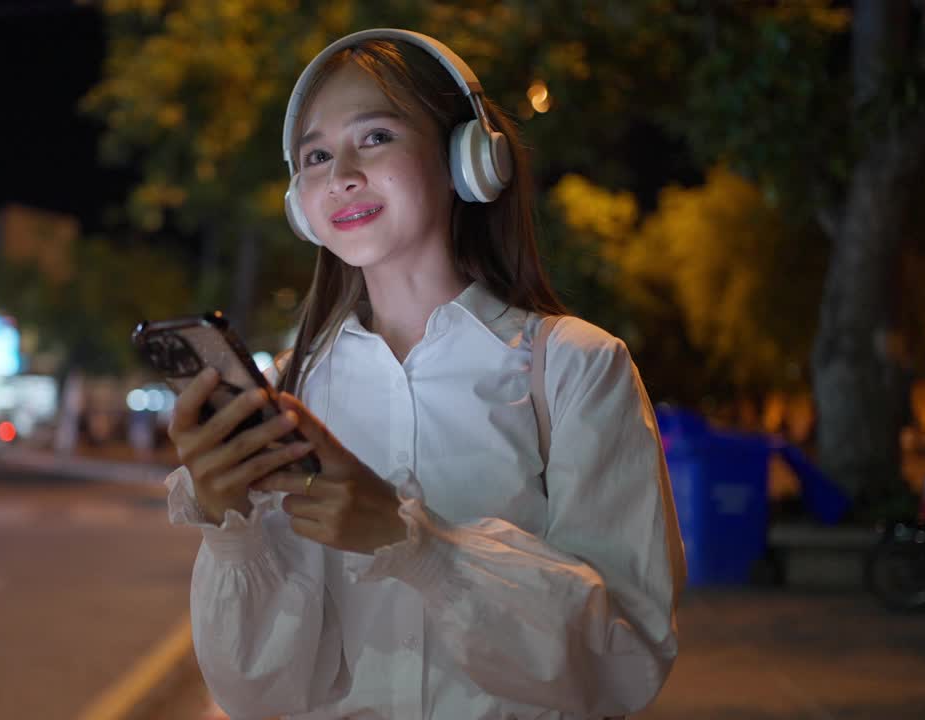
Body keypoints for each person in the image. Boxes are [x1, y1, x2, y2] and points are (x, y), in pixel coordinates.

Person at [164, 28, 686, 720]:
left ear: (467, 158)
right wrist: (231, 530)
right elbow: (257, 696)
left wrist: (415, 544)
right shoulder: (292, 392)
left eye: (374, 137)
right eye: (315, 155)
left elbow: (622, 664)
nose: (341, 173)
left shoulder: (576, 367)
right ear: (301, 204)